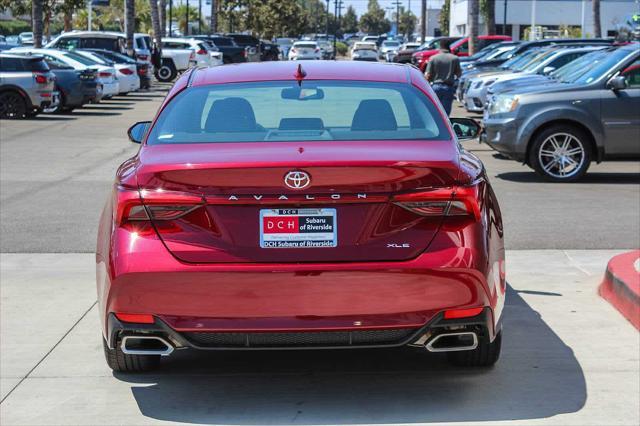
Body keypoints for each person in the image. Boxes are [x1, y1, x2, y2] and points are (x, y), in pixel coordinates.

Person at [425, 39, 461, 116]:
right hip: (448, 88)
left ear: (440, 47)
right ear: (449, 46)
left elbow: (427, 75)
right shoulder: (454, 58)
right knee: (445, 114)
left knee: (435, 111)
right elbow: (458, 74)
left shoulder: (433, 58)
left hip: (435, 87)